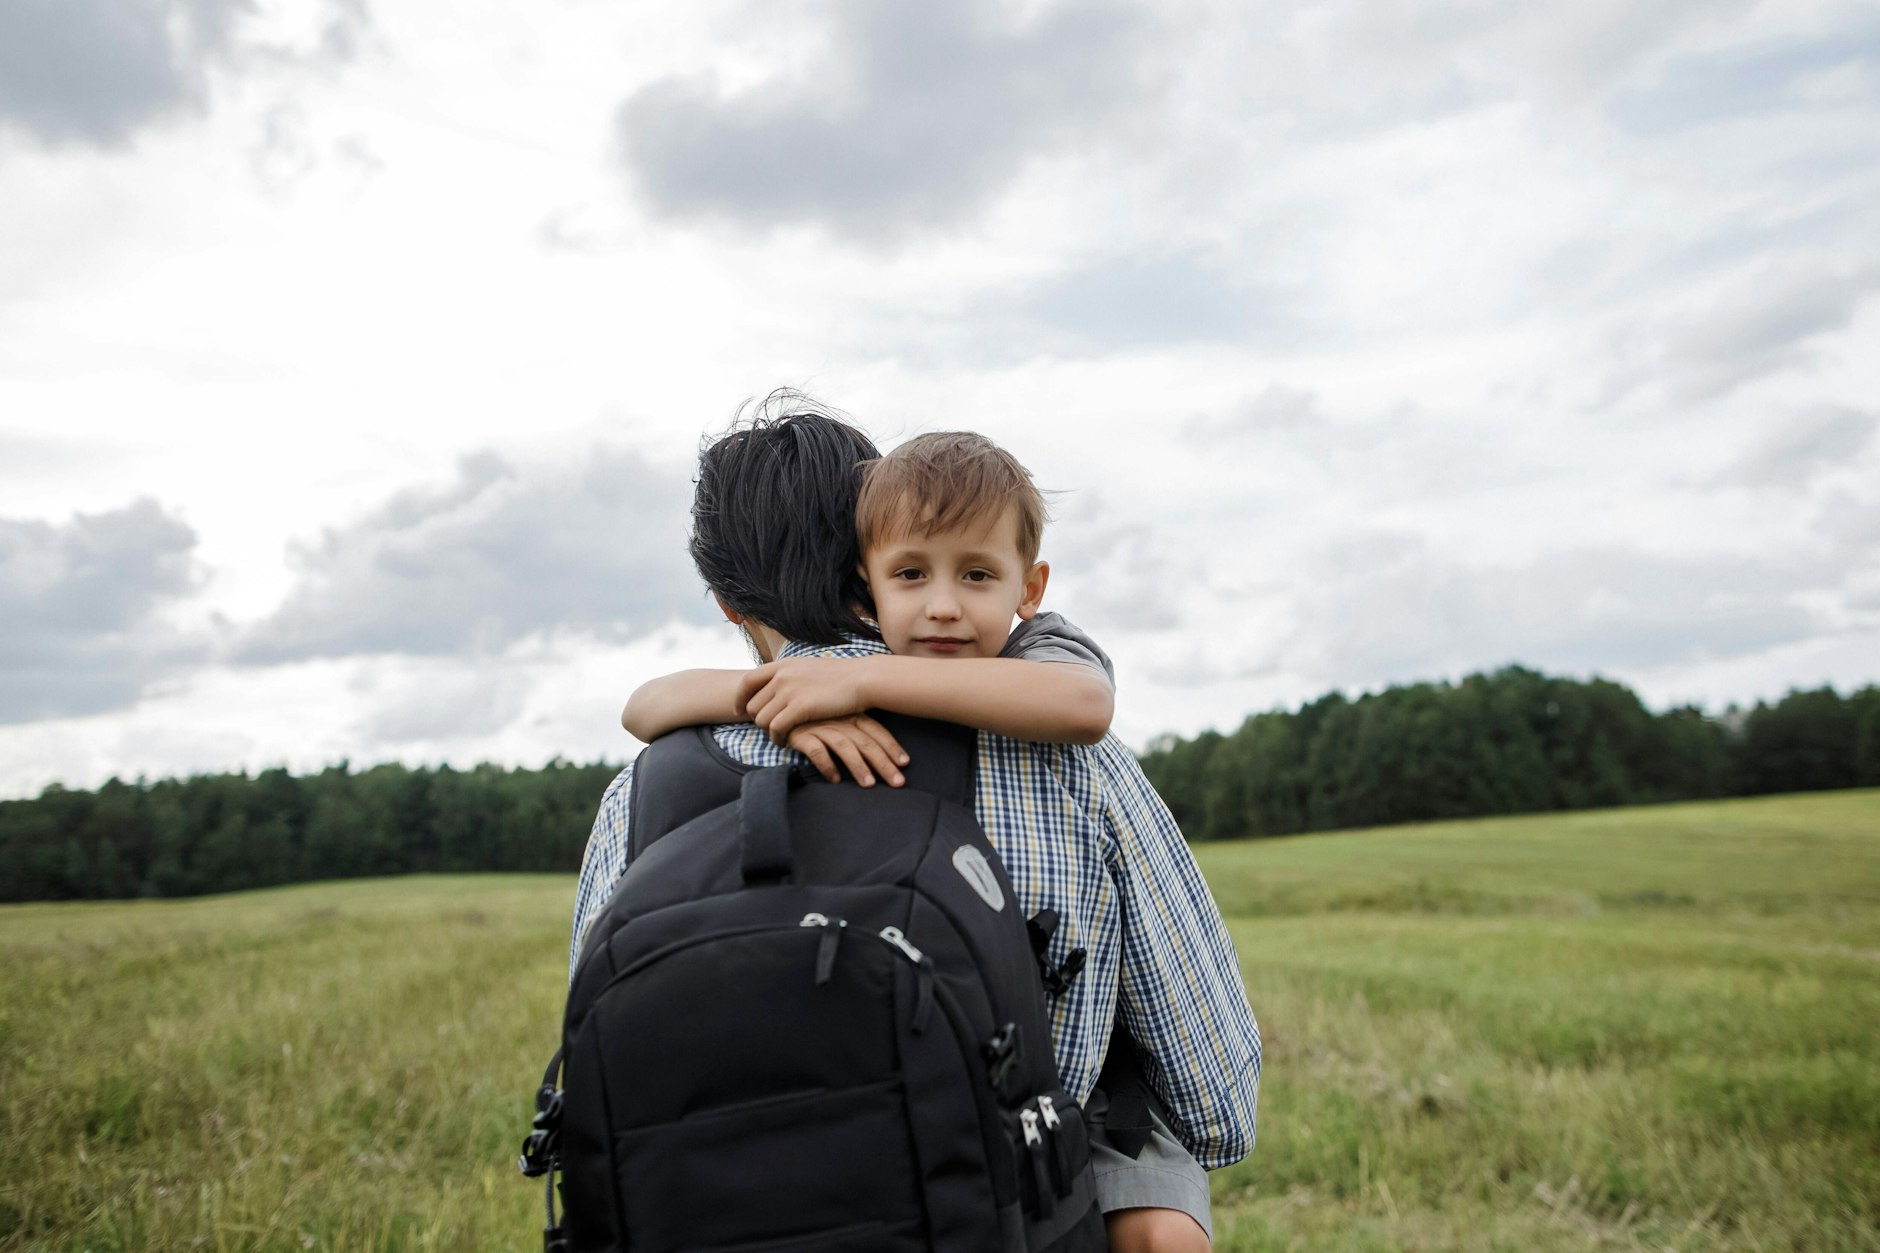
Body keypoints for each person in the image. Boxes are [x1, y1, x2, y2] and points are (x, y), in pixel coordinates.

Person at [571, 396, 1260, 1252]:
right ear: (862, 564)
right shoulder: (1057, 752)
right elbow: (1213, 1098)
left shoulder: (638, 795)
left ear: (724, 602)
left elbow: (595, 1081)